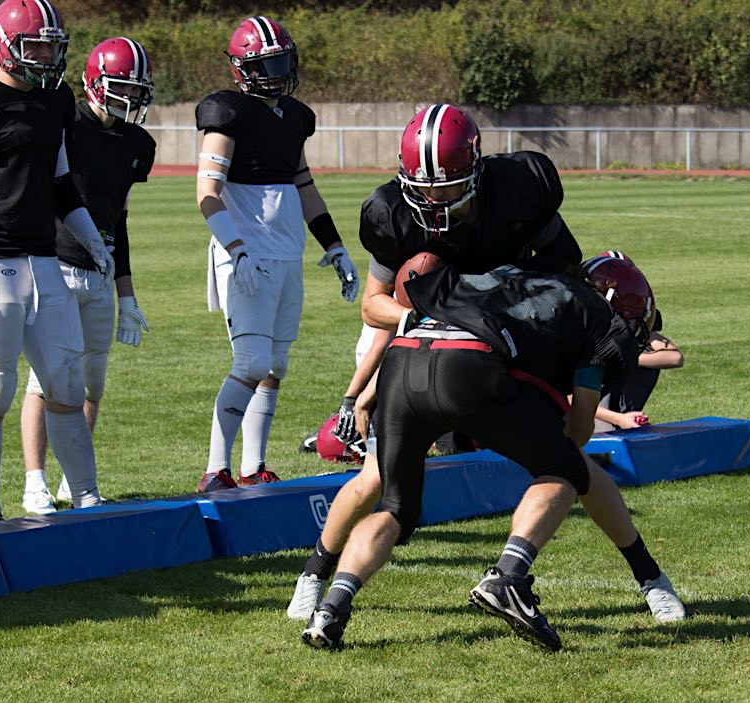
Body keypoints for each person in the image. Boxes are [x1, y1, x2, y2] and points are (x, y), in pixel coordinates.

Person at [287, 102, 579, 616]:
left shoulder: (518, 188)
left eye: (446, 185)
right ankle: (314, 573)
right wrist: (410, 327)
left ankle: (640, 574)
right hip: (421, 339)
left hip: (498, 338)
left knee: (563, 457)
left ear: (476, 166)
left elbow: (563, 269)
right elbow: (374, 304)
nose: (433, 197)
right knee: (376, 479)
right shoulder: (392, 215)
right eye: (423, 185)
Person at [301, 260, 671, 653]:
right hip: (466, 367)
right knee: (564, 468)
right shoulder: (596, 317)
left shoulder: (517, 277)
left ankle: (331, 608)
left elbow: (425, 322)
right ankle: (509, 576)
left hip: (402, 361)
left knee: (394, 506)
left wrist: (365, 395)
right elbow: (579, 433)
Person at [0, 0, 116, 524]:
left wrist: (92, 239)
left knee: (66, 381)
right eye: (37, 45)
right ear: (5, 45)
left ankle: (87, 495)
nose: (48, 55)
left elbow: (59, 180)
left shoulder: (55, 100)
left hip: (42, 256)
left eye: (53, 44)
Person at [194, 15, 358, 493]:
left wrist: (335, 245)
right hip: (247, 255)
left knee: (275, 365)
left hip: (286, 252)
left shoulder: (295, 117)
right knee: (249, 362)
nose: (280, 70)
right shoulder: (227, 113)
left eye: (283, 59)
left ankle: (252, 467)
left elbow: (304, 186)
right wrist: (236, 247)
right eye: (269, 62)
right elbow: (207, 190)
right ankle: (215, 469)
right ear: (243, 68)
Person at [19, 36, 156, 514]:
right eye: (122, 87)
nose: (130, 99)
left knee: (91, 382)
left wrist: (128, 295)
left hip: (99, 271)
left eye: (137, 89)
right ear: (94, 84)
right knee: (47, 380)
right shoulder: (66, 121)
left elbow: (116, 216)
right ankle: (33, 480)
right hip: (54, 264)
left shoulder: (137, 144)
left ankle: (70, 479)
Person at [582, 252, 683, 433]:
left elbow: (674, 357)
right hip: (577, 418)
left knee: (642, 350)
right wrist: (619, 419)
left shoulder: (625, 324)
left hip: (601, 413)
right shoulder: (580, 328)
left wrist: (626, 357)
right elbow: (570, 399)